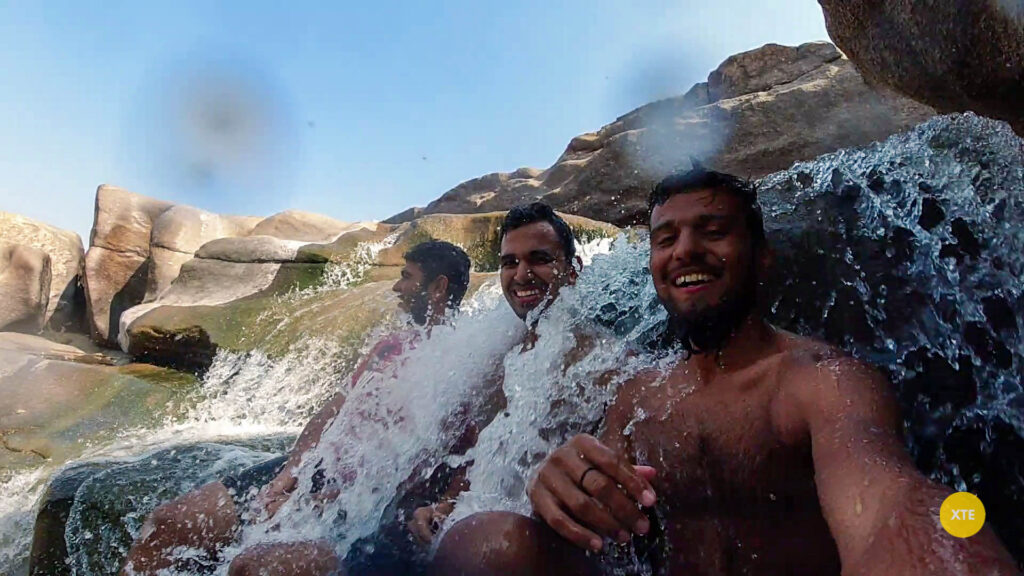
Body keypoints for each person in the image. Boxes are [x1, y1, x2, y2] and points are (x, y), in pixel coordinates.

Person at [430, 168, 1019, 575]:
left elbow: (889, 501)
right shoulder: (640, 394)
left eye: (712, 231)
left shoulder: (817, 380)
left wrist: (940, 542)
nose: (684, 250)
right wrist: (560, 489)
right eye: (666, 238)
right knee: (482, 543)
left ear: (761, 256)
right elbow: (604, 536)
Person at [121, 240, 472, 576]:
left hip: (368, 497)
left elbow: (424, 464)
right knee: (167, 523)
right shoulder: (391, 345)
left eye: (407, 277)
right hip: (318, 466)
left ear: (438, 287)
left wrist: (319, 500)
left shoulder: (459, 363)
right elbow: (333, 410)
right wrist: (288, 476)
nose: (397, 288)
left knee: (253, 568)